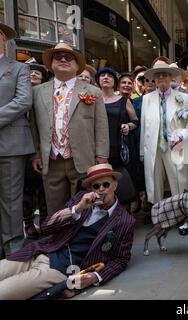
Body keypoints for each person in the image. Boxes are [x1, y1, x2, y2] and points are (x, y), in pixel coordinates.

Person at [0, 164, 136, 300]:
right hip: (38, 252)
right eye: (96, 186)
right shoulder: (81, 199)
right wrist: (77, 209)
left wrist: (95, 277)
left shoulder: (125, 220)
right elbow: (46, 227)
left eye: (105, 184)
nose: (101, 190)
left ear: (115, 185)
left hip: (59, 270)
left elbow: (121, 260)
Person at [30, 43, 109, 216]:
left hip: (83, 159)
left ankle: (81, 241)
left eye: (69, 57)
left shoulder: (93, 91)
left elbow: (101, 127)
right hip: (51, 161)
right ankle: (59, 240)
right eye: (58, 57)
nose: (63, 59)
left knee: (86, 206)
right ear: (51, 64)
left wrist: (101, 156)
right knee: (55, 209)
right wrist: (35, 154)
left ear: (77, 65)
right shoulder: (37, 92)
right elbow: (33, 126)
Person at [0, 23, 33, 258]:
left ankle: (13, 253)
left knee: (11, 201)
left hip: (11, 145)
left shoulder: (19, 68)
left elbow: (23, 101)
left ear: (3, 39)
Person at [140, 63, 188, 208]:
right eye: (158, 75)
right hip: (153, 149)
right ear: (154, 80)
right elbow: (144, 126)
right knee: (155, 184)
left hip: (175, 146)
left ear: (171, 78)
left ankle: (181, 215)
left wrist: (181, 135)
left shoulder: (183, 98)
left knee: (178, 181)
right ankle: (159, 215)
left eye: (165, 75)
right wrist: (142, 153)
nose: (161, 78)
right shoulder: (147, 99)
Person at [96, 68, 138, 200]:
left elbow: (135, 122)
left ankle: (123, 215)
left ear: (115, 82)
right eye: (103, 75)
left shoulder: (123, 101)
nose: (106, 77)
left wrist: (128, 126)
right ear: (98, 80)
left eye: (110, 76)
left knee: (123, 185)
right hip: (99, 149)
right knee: (101, 183)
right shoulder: (93, 99)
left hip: (120, 148)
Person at [23, 58, 49, 238]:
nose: (33, 74)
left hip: (42, 147)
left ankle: (46, 221)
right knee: (26, 190)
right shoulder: (17, 93)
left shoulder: (43, 97)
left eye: (37, 73)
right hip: (22, 148)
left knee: (44, 187)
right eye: (30, 72)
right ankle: (28, 223)